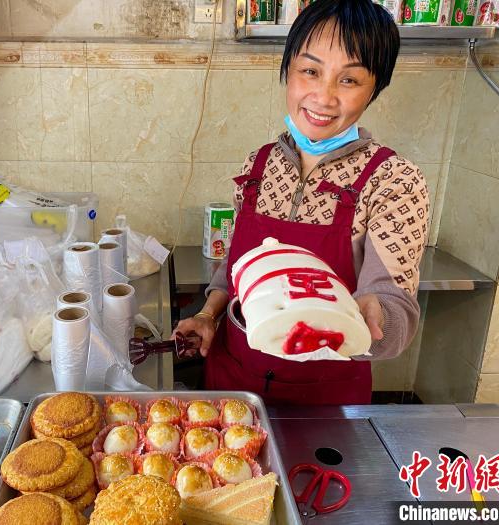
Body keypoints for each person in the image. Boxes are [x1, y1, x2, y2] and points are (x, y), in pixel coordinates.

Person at [173, 0, 429, 405]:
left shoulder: (394, 181)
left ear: (374, 88)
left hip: (323, 400)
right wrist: (209, 314)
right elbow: (238, 267)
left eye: (349, 80)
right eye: (310, 71)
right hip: (231, 383)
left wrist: (374, 315)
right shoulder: (258, 164)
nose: (324, 98)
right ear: (287, 71)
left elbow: (395, 307)